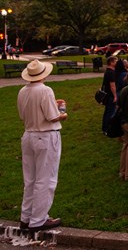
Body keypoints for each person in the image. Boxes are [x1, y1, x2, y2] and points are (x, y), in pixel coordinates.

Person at [17, 59, 68, 232]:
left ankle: (26, 216)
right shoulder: (45, 90)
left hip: (29, 134)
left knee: (30, 178)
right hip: (45, 136)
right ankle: (39, 219)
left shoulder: (23, 91)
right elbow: (52, 117)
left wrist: (53, 104)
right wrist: (62, 113)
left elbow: (25, 114)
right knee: (46, 178)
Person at [101, 56, 118, 135]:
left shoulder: (107, 71)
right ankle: (107, 128)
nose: (117, 62)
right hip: (110, 96)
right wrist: (115, 96)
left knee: (107, 111)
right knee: (110, 112)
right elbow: (112, 85)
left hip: (107, 95)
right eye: (115, 61)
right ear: (111, 62)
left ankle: (104, 127)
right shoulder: (111, 72)